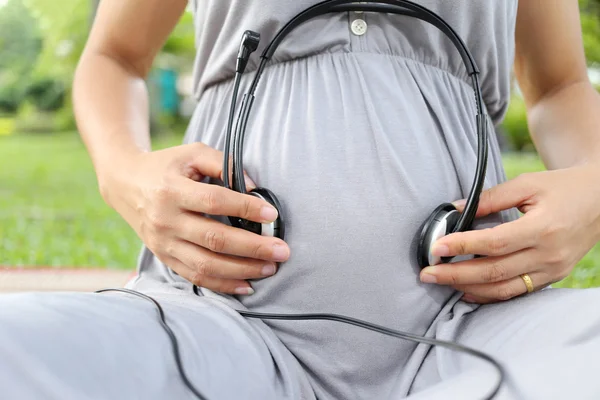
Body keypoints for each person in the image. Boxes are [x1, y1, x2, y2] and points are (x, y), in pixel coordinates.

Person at [2, 0, 600, 399]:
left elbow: (561, 84)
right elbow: (113, 58)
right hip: (217, 321)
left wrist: (593, 186)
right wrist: (125, 175)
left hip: (476, 328)